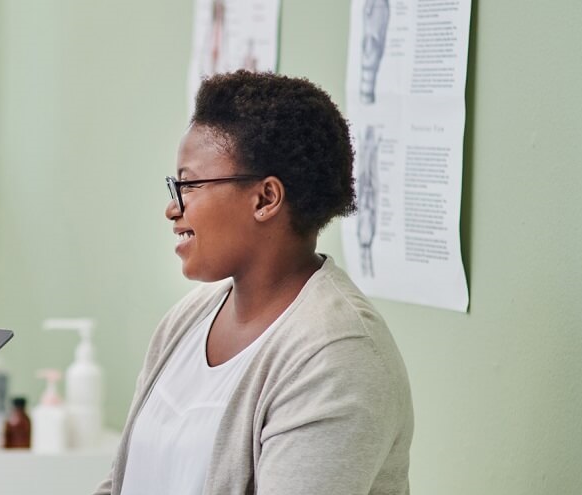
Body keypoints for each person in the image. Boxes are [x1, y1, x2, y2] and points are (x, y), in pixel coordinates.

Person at [94, 71, 413, 495]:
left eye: (189, 185)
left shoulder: (337, 355)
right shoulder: (188, 319)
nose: (173, 208)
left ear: (265, 199)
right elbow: (122, 481)